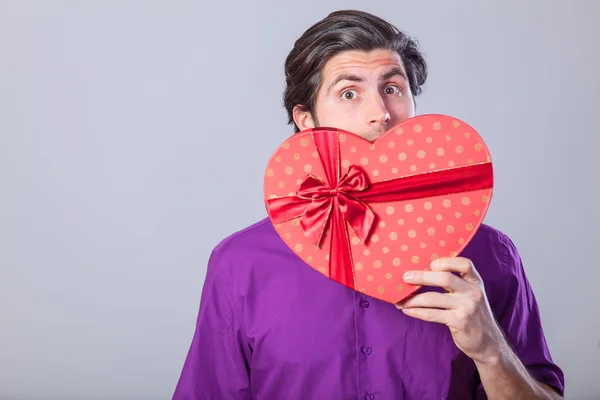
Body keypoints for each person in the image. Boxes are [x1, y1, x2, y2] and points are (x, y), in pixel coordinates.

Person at [173, 9, 565, 400]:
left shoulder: (489, 255)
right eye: (349, 92)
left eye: (392, 88)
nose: (380, 114)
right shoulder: (242, 263)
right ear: (306, 119)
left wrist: (491, 350)